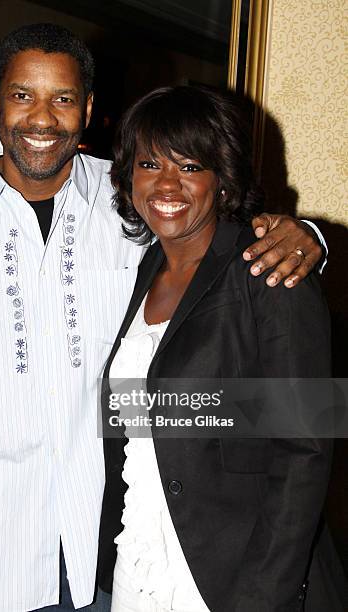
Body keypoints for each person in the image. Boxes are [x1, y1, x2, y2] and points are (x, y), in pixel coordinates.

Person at [0, 23, 326, 612]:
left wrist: (309, 235)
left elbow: (299, 428)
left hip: (97, 551)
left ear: (87, 108)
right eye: (21, 96)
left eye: (62, 98)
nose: (41, 118)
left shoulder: (126, 204)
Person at [97, 84, 346, 611]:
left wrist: (260, 597)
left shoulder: (270, 271)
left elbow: (306, 449)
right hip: (138, 557)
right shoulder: (142, 273)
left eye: (190, 166)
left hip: (229, 579)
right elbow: (152, 420)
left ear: (222, 180)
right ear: (128, 177)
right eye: (149, 163)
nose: (167, 184)